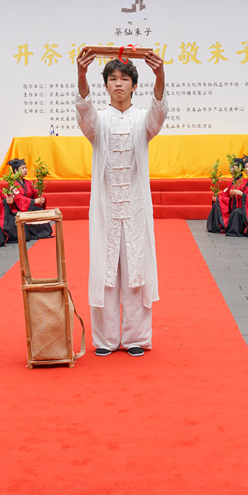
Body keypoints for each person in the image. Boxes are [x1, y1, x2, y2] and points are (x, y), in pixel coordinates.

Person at [75, 47, 167, 357]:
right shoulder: (99, 121)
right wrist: (81, 74)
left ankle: (136, 338)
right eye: (112, 78)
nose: (118, 84)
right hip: (105, 206)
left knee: (135, 270)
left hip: (136, 205)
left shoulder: (142, 120)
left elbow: (159, 113)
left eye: (124, 78)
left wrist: (160, 75)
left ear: (133, 85)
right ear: (106, 85)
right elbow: (84, 112)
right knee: (105, 270)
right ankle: (105, 339)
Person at [5, 158, 53, 240]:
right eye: (22, 168)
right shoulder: (13, 184)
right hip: (19, 208)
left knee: (40, 210)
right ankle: (36, 233)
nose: (25, 170)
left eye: (25, 168)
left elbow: (35, 191)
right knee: (34, 212)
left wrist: (40, 197)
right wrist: (34, 201)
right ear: (16, 170)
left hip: (28, 205)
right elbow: (18, 198)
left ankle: (43, 232)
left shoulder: (28, 182)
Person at [206, 157, 244, 234]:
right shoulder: (233, 181)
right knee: (217, 202)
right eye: (231, 167)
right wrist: (219, 197)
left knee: (218, 203)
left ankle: (219, 225)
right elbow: (226, 193)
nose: (231, 169)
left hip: (236, 205)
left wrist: (220, 199)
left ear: (239, 169)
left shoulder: (242, 182)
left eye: (233, 167)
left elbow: (237, 198)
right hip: (229, 202)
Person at [225, 157, 248, 237]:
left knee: (237, 211)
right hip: (245, 205)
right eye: (246, 167)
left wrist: (241, 194)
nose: (246, 169)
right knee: (235, 210)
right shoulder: (245, 181)